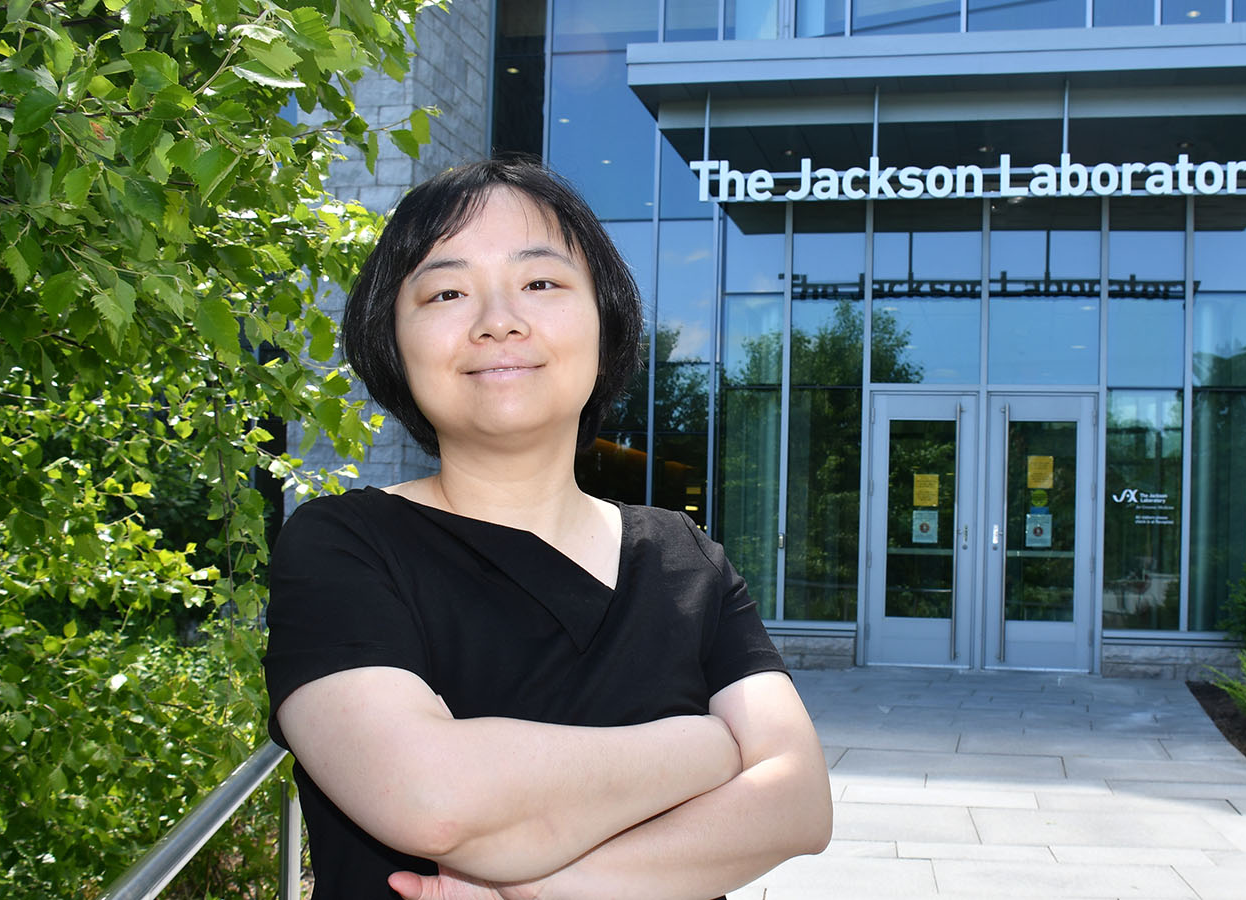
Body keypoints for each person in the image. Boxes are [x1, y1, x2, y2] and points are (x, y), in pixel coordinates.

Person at [262, 157, 833, 900]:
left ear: (605, 323)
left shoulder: (684, 559)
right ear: (393, 342)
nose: (499, 319)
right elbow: (433, 802)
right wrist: (707, 748)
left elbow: (799, 806)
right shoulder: (343, 546)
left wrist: (537, 890)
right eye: (447, 291)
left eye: (541, 283)